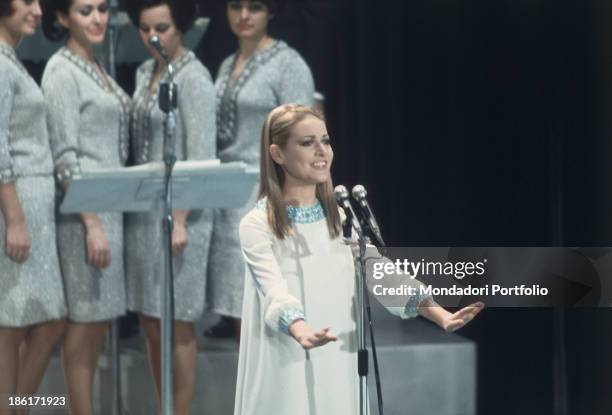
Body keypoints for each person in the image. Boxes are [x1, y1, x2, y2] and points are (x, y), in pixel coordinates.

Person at [234, 104, 485, 414]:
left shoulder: (342, 217)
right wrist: (301, 330)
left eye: (325, 140)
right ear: (277, 154)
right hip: (288, 356)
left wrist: (440, 315)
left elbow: (380, 272)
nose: (321, 151)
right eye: (307, 142)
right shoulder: (257, 224)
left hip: (339, 356)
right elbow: (273, 290)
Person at [124, 0, 216, 412]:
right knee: (149, 317)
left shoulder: (194, 77)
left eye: (161, 27)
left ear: (181, 27)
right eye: (144, 29)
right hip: (145, 213)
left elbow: (200, 154)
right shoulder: (145, 72)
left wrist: (180, 219)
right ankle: (164, 405)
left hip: (185, 216)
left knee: (178, 321)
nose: (152, 37)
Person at [40, 0, 130, 413]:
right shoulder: (61, 71)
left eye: (101, 10)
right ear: (62, 18)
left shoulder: (93, 65)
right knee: (83, 327)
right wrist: (92, 223)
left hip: (108, 212)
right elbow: (65, 156)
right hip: (83, 217)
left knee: (95, 328)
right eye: (84, 11)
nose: (97, 19)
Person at [207, 0, 315, 339]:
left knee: (263, 304)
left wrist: (284, 195)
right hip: (225, 193)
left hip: (264, 190)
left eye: (254, 7)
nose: (243, 16)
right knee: (237, 307)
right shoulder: (227, 64)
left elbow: (304, 136)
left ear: (270, 11)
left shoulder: (288, 63)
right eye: (235, 6)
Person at [0, 1, 67, 411]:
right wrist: (16, 219)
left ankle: (15, 406)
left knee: (32, 320)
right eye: (27, 2)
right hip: (18, 203)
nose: (39, 11)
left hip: (32, 204)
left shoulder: (11, 59)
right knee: (13, 322)